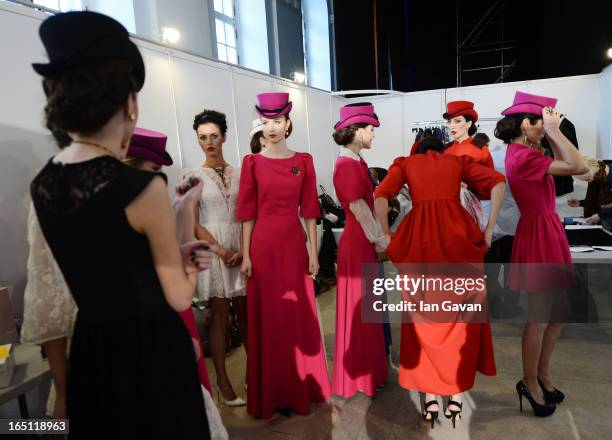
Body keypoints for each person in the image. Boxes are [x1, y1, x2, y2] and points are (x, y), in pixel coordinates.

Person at [29, 11, 212, 437]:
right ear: (129, 104)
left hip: (93, 352)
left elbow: (104, 262)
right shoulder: (140, 187)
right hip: (150, 357)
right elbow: (179, 297)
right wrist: (184, 222)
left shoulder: (43, 184)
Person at [374, 136, 506, 429]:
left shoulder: (405, 164)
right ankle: (456, 397)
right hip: (458, 239)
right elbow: (498, 182)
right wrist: (486, 230)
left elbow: (380, 196)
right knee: (461, 322)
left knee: (423, 321)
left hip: (420, 243)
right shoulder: (458, 161)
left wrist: (385, 235)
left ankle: (431, 397)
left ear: (418, 150)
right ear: (441, 149)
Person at [495, 91, 588, 418]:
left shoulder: (524, 152)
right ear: (525, 124)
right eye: (539, 122)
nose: (544, 127)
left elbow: (582, 169)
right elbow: (579, 166)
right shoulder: (523, 157)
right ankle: (529, 381)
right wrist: (555, 131)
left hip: (546, 231)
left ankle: (543, 376)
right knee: (539, 316)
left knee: (558, 312)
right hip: (539, 235)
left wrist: (548, 132)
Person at [237, 92, 330, 418]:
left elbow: (310, 211)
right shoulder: (252, 163)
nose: (272, 127)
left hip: (293, 244)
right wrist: (246, 254)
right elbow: (247, 212)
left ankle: (297, 389)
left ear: (288, 122)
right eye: (266, 121)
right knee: (268, 319)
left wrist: (313, 251)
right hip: (262, 246)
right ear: (260, 124)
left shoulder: (303, 161)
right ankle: (270, 393)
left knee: (295, 317)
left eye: (277, 121)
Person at [182, 109, 247, 407]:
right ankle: (222, 382)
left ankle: (254, 376)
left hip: (242, 248)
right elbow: (192, 223)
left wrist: (244, 250)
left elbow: (249, 214)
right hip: (214, 250)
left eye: (214, 136)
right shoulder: (191, 177)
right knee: (219, 317)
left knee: (247, 316)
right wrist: (221, 250)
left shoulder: (241, 172)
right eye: (203, 138)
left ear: (224, 136)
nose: (209, 142)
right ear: (197, 140)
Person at [331, 103, 388, 398]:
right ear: (355, 130)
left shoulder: (354, 161)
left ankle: (370, 372)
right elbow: (361, 210)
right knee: (361, 309)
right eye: (370, 129)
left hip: (360, 241)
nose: (373, 135)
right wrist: (382, 241)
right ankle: (361, 375)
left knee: (368, 307)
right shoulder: (348, 165)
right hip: (358, 242)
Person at [443, 101, 494, 168]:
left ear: (468, 124)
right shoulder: (445, 149)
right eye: (449, 122)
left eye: (457, 121)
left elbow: (491, 176)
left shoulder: (481, 148)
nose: (452, 126)